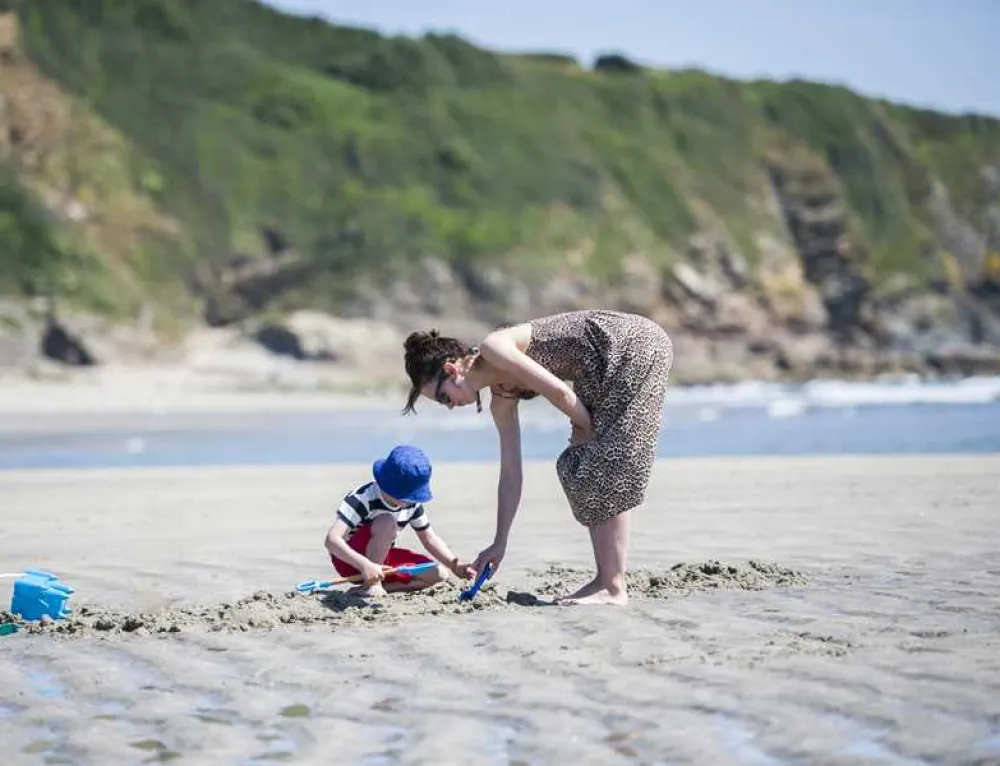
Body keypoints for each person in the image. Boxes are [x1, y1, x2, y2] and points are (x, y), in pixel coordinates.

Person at [402, 309, 673, 605]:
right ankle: (605, 580)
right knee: (577, 466)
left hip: (628, 344)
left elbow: (559, 392)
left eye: (443, 398)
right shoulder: (502, 400)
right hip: (596, 366)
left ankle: (612, 585)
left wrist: (587, 428)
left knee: (604, 458)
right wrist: (500, 541)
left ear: (452, 370)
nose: (449, 406)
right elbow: (510, 474)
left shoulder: (495, 346)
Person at [324, 444, 472, 597]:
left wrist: (454, 564)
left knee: (438, 574)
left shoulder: (412, 504)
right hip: (350, 560)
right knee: (387, 522)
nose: (410, 501)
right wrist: (365, 565)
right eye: (406, 495)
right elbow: (332, 540)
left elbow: (429, 539)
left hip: (381, 560)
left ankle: (376, 588)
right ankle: (372, 584)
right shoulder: (363, 498)